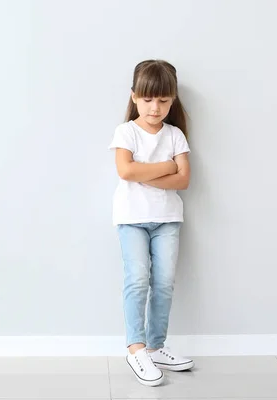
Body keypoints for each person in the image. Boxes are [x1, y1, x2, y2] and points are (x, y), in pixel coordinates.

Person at [108, 59, 195, 387]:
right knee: (138, 279)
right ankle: (136, 348)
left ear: (172, 100)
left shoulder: (175, 135)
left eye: (162, 100)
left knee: (164, 282)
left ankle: (157, 346)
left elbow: (183, 180)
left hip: (168, 219)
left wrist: (149, 173)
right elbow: (126, 171)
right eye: (147, 99)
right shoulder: (125, 132)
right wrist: (165, 167)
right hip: (131, 219)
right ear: (134, 97)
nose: (154, 107)